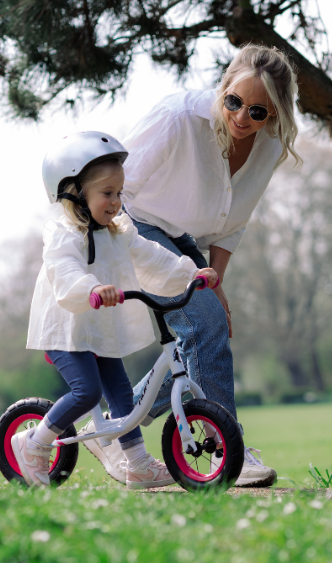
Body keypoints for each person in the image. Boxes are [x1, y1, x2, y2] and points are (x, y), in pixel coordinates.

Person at [84, 44, 301, 487]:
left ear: (276, 115)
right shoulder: (177, 118)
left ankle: (111, 427)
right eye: (233, 101)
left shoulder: (269, 146)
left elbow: (232, 222)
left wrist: (216, 283)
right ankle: (227, 451)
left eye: (257, 111)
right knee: (204, 325)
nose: (242, 117)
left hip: (186, 242)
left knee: (203, 330)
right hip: (136, 225)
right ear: (222, 88)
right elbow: (117, 190)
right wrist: (107, 248)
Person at [10, 131, 218, 488]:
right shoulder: (64, 234)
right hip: (67, 328)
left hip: (100, 327)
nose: (116, 202)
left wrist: (190, 272)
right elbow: (65, 270)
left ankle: (136, 463)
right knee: (87, 392)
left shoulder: (120, 230)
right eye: (107, 193)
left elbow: (152, 258)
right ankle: (32, 443)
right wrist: (91, 288)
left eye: (119, 193)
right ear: (75, 193)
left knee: (121, 391)